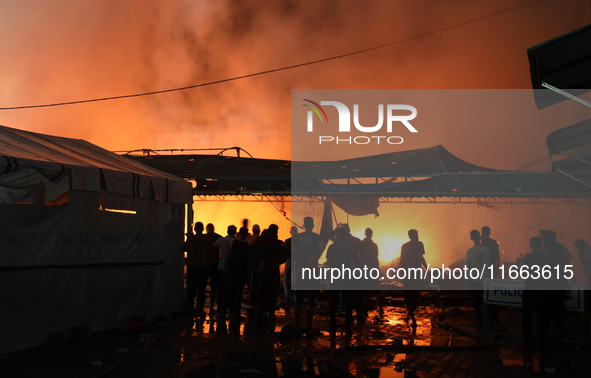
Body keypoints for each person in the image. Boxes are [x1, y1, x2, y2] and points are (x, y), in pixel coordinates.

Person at [521, 236, 554, 372]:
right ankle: (542, 341)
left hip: (529, 290)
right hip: (542, 291)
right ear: (540, 245)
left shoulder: (528, 258)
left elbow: (523, 273)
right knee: (543, 318)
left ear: (531, 245)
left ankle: (527, 343)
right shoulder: (546, 258)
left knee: (527, 318)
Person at [249, 224, 286, 334]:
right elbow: (287, 253)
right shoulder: (279, 243)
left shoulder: (263, 242)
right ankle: (270, 322)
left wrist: (260, 259)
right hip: (273, 272)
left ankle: (258, 322)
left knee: (260, 296)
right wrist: (279, 261)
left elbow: (250, 248)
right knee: (272, 297)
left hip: (263, 272)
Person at [291, 217, 324, 336]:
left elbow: (287, 245)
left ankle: (297, 325)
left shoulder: (297, 238)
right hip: (311, 269)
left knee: (298, 299)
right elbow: (321, 248)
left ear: (304, 225)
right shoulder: (317, 237)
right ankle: (309, 327)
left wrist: (298, 255)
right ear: (312, 225)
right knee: (310, 298)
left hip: (300, 270)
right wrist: (314, 256)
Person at [325, 225, 360, 336]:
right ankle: (348, 328)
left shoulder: (331, 247)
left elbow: (329, 265)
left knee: (333, 305)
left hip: (335, 279)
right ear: (345, 236)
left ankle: (332, 327)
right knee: (348, 304)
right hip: (346, 279)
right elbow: (351, 264)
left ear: (337, 236)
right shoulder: (349, 247)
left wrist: (329, 279)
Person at [182, 222, 216, 320]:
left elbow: (184, 248)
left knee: (191, 289)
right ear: (203, 229)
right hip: (203, 268)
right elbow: (212, 254)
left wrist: (188, 237)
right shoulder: (208, 239)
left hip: (192, 268)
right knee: (201, 289)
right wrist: (210, 267)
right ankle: (200, 308)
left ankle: (190, 308)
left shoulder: (191, 239)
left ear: (195, 229)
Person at [222, 227, 250, 334]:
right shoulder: (247, 246)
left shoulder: (234, 243)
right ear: (246, 235)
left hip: (231, 271)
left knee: (228, 293)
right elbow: (248, 262)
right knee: (238, 294)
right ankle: (236, 314)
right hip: (241, 273)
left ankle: (224, 314)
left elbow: (228, 257)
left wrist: (225, 269)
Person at [400, 229, 427, 332]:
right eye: (416, 234)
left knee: (408, 295)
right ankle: (412, 316)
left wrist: (403, 272)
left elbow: (402, 261)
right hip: (415, 273)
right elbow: (421, 258)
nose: (418, 236)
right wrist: (427, 268)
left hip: (407, 273)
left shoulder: (404, 246)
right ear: (413, 236)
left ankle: (410, 315)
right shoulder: (419, 244)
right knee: (415, 294)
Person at [211, 225, 237, 325]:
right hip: (232, 268)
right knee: (231, 290)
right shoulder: (237, 242)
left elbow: (213, 247)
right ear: (235, 232)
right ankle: (231, 311)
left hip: (221, 267)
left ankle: (220, 311)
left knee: (221, 290)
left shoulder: (221, 240)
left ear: (227, 231)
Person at [464, 229, 490, 330]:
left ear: (471, 238)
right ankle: (488, 319)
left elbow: (467, 265)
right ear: (479, 237)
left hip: (472, 278)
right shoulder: (487, 249)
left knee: (476, 301)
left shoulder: (470, 251)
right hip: (484, 277)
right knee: (485, 298)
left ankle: (480, 321)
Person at [481, 226, 502, 328]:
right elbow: (497, 257)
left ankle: (489, 313)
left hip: (487, 270)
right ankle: (490, 313)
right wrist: (497, 267)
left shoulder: (483, 244)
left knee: (487, 291)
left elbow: (496, 256)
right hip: (491, 269)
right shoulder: (493, 243)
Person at [360, 228, 383, 317]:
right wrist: (377, 269)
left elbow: (360, 257)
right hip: (372, 268)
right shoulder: (374, 245)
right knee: (376, 289)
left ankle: (364, 307)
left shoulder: (362, 244)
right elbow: (376, 258)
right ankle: (380, 307)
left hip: (365, 269)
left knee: (364, 289)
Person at [282, 226, 298, 313]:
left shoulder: (289, 241)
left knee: (286, 281)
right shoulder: (300, 241)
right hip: (297, 262)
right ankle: (296, 301)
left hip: (290, 261)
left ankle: (287, 301)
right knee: (295, 281)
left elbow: (282, 246)